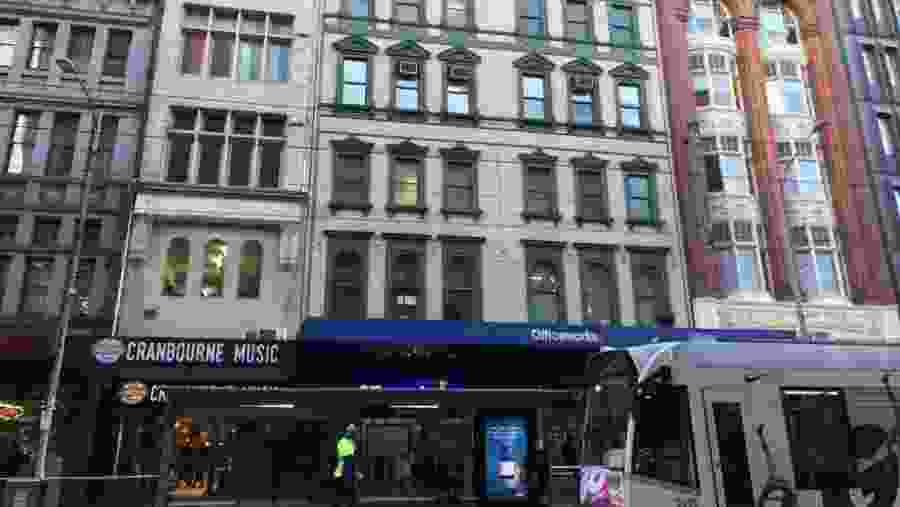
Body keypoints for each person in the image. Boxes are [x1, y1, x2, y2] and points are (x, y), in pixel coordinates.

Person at [333, 424, 360, 507]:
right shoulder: (345, 441)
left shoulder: (349, 441)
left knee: (346, 488)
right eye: (353, 432)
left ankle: (347, 502)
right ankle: (345, 502)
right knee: (346, 487)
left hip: (346, 467)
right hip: (346, 467)